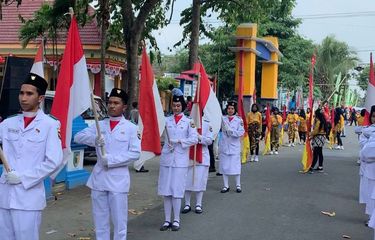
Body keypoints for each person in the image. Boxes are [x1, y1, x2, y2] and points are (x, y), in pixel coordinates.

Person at [0, 73, 63, 240]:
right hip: (5, 195)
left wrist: (23, 177)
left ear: (40, 97)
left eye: (29, 94)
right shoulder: (7, 123)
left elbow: (53, 161)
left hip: (28, 197)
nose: (23, 98)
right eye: (21, 93)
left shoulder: (50, 125)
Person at [74, 88, 141, 240]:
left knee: (119, 222)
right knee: (100, 221)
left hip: (118, 180)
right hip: (99, 179)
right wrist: (94, 140)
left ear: (124, 107)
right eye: (110, 102)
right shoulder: (100, 125)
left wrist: (111, 160)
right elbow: (78, 136)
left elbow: (135, 153)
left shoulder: (131, 128)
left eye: (116, 103)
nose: (112, 106)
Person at [158, 95, 198, 232]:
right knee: (166, 190)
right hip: (167, 158)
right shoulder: (165, 120)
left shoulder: (189, 122)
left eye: (178, 105)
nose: (176, 108)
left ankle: (176, 220)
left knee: (177, 190)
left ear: (183, 106)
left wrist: (180, 141)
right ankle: (166, 219)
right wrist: (165, 142)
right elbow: (159, 136)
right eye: (174, 105)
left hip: (180, 159)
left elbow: (194, 139)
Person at [182, 118, 214, 215]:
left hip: (202, 156)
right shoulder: (187, 121)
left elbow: (209, 141)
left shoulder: (207, 124)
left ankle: (198, 204)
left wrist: (199, 137)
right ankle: (187, 204)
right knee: (187, 181)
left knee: (200, 181)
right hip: (188, 155)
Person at [219, 101, 245, 193]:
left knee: (236, 167)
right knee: (224, 166)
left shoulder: (239, 120)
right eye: (229, 108)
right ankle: (226, 185)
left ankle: (238, 185)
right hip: (224, 145)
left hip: (234, 146)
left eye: (232, 109)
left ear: (235, 110)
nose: (230, 110)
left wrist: (232, 132)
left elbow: (241, 132)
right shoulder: (222, 118)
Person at [359, 106, 375, 227]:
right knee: (370, 196)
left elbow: (367, 152)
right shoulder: (368, 130)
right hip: (370, 168)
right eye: (373, 116)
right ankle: (371, 218)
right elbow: (364, 151)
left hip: (371, 167)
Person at [129, 101, 149, 173]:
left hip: (132, 129)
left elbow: (130, 119)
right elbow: (138, 121)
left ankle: (138, 165)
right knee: (140, 148)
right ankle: (140, 166)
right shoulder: (137, 112)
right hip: (138, 129)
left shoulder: (131, 111)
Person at [309, 108, 328, 173]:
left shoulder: (318, 121)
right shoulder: (323, 120)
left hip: (318, 137)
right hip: (322, 137)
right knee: (320, 152)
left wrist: (310, 134)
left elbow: (316, 131)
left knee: (315, 153)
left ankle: (311, 167)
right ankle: (320, 167)